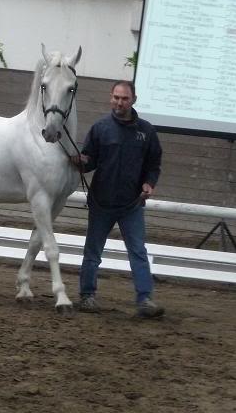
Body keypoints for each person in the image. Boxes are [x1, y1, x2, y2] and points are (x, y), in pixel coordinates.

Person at [71, 80, 164, 318]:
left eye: (124, 98)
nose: (119, 102)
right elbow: (89, 162)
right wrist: (80, 162)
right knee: (93, 252)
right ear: (110, 97)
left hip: (131, 204)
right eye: (116, 97)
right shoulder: (100, 128)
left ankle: (145, 299)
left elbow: (154, 165)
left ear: (133, 100)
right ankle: (87, 295)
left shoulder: (147, 132)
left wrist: (149, 183)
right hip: (101, 202)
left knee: (138, 252)